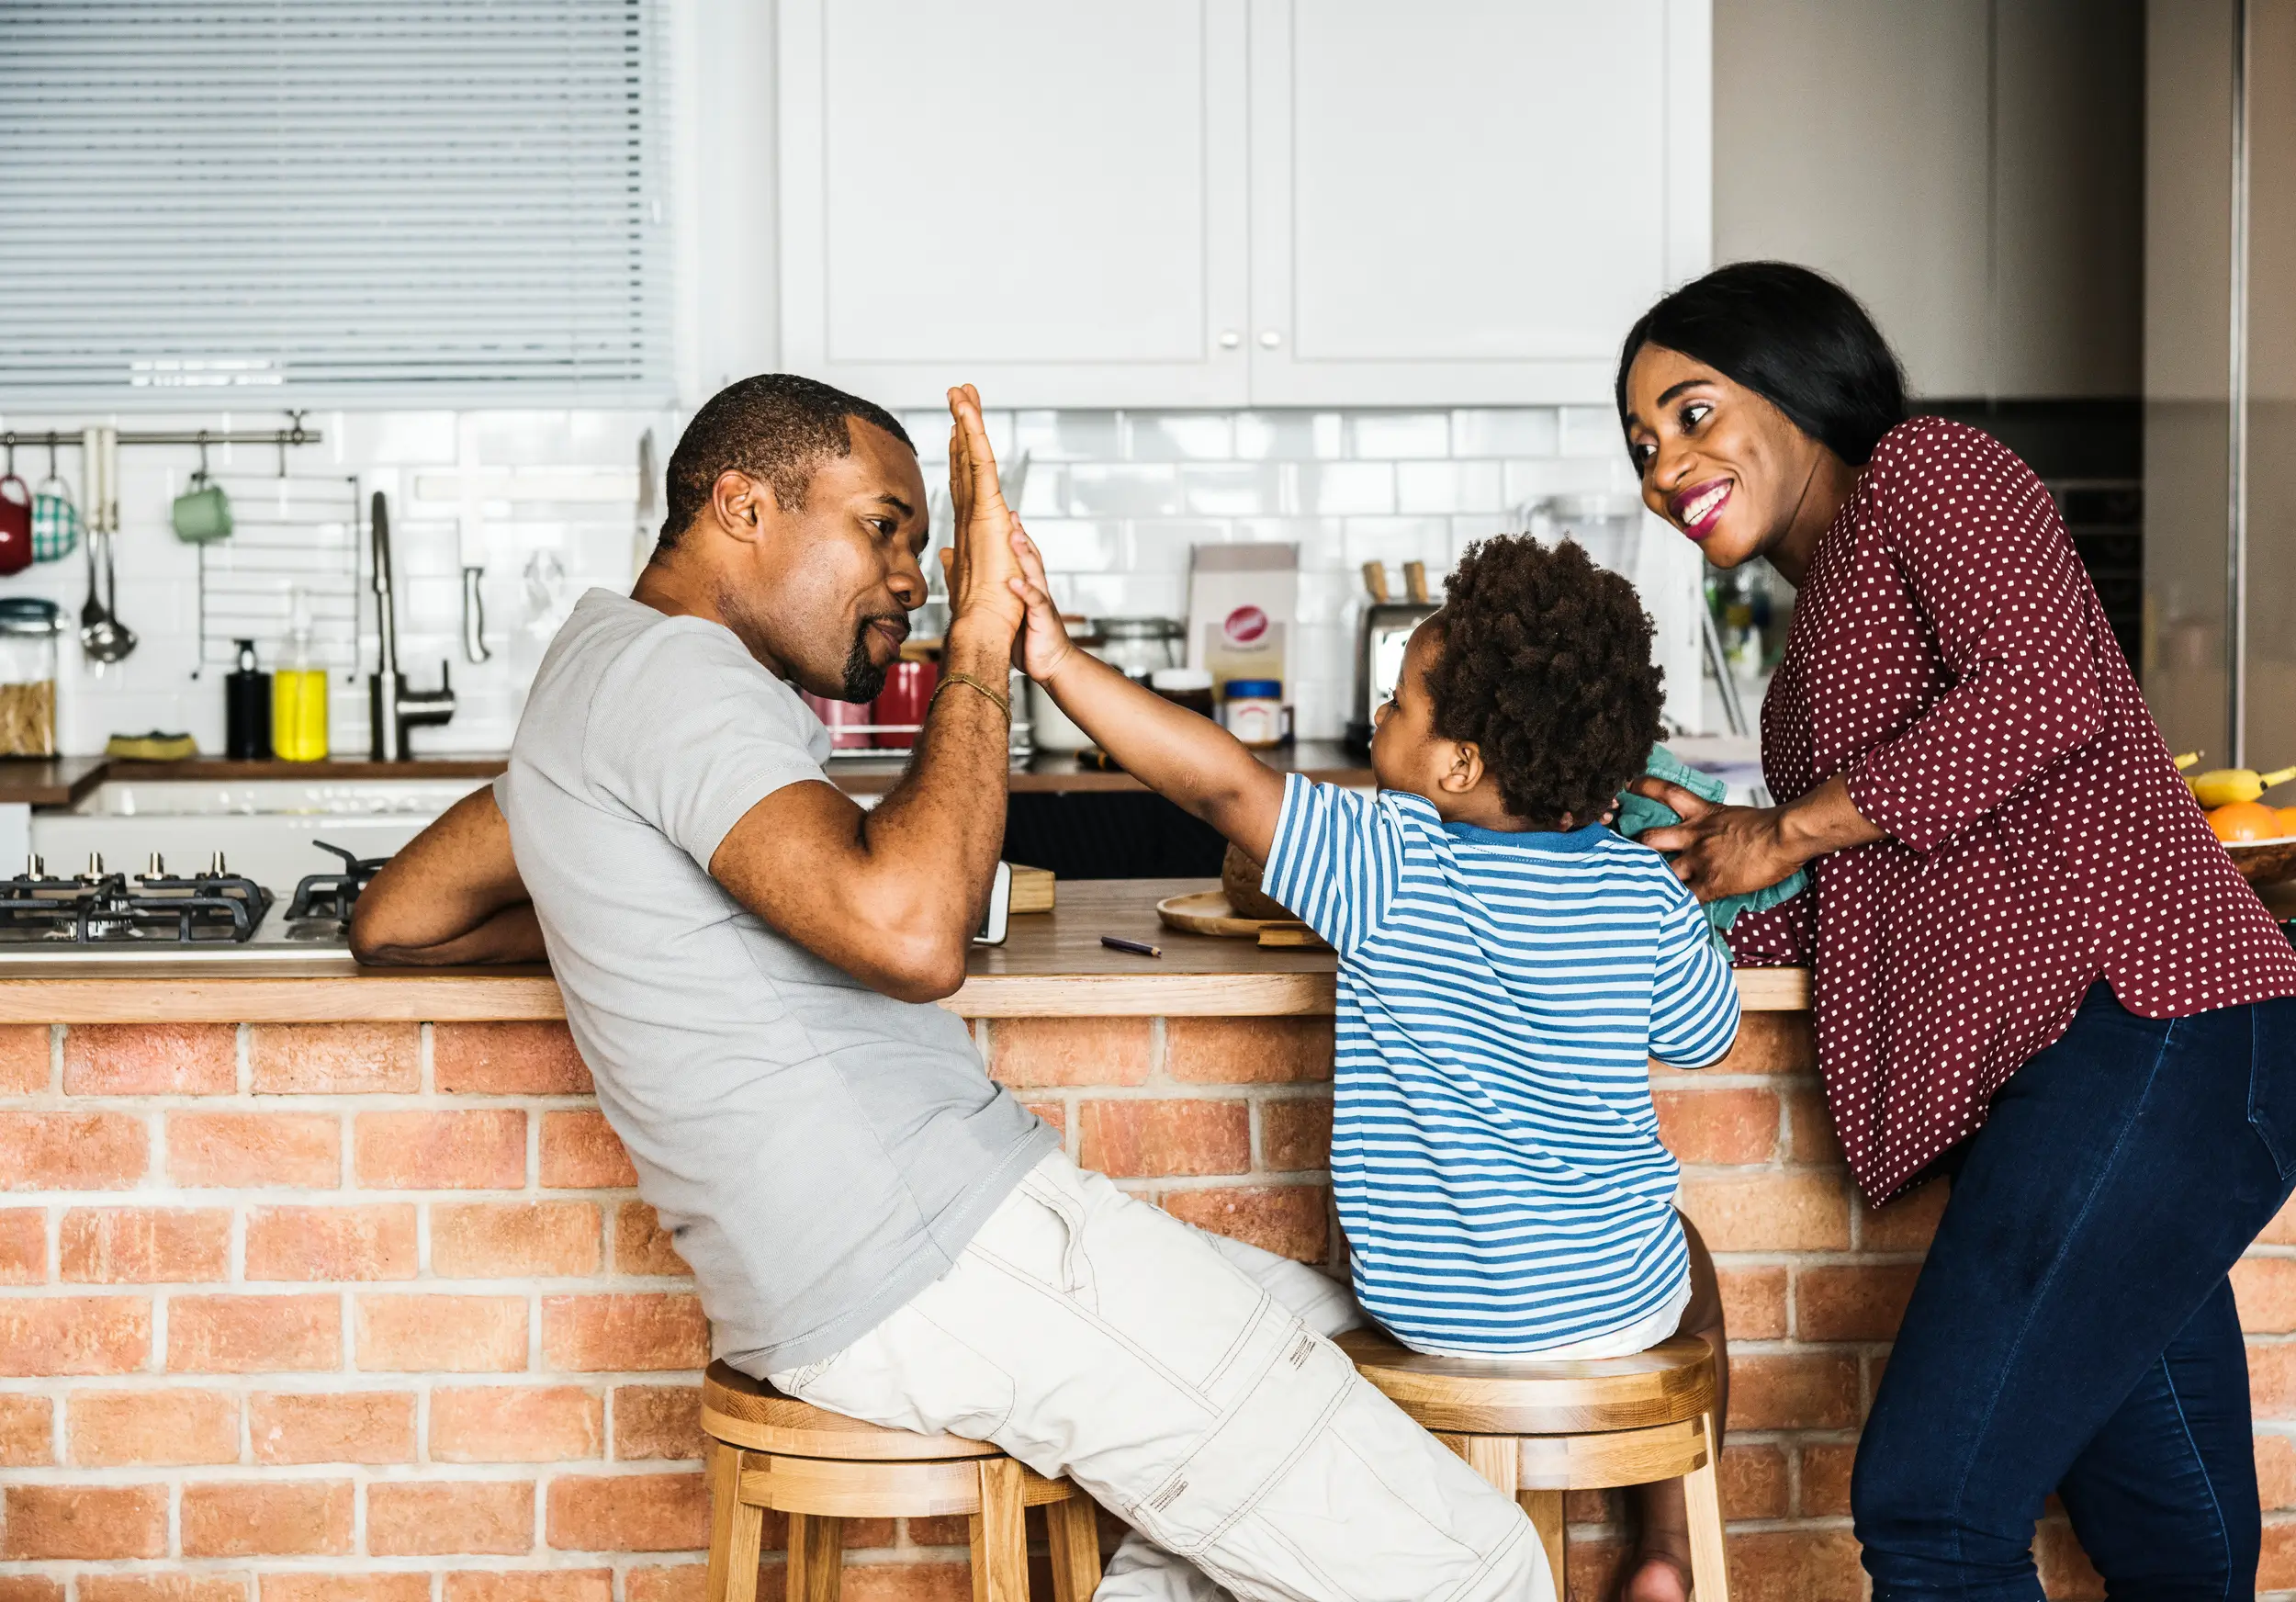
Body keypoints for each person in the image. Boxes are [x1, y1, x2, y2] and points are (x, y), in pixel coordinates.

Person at [349, 373, 1552, 1602]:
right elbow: (915, 935)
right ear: (742, 506)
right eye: (884, 527)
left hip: (875, 1265)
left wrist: (637, 922)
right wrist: (985, 633)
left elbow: (399, 921)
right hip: (937, 1251)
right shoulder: (676, 680)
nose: (914, 578)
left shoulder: (599, 679)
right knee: (1486, 1568)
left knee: (1331, 1328)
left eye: (927, 548)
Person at [1615, 260, 2296, 1600]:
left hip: (2150, 1026)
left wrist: (1787, 830)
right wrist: (1675, 896)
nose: (1664, 467)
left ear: (1797, 377)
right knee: (2177, 1544)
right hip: (2094, 1083)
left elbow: (2047, 693)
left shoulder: (1928, 468)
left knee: (1931, 1508)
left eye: (1692, 413)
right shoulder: (1810, 644)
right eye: (1642, 447)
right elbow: (1890, 885)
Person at [1000, 526, 1739, 1602]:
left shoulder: (1384, 859)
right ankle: (1666, 1544)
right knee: (1689, 1256)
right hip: (1612, 1315)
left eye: (1396, 704)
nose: (1381, 715)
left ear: (1459, 765)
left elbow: (1219, 786)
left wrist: (1059, 663)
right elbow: (1706, 1034)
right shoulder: (1644, 897)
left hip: (1431, 1316)